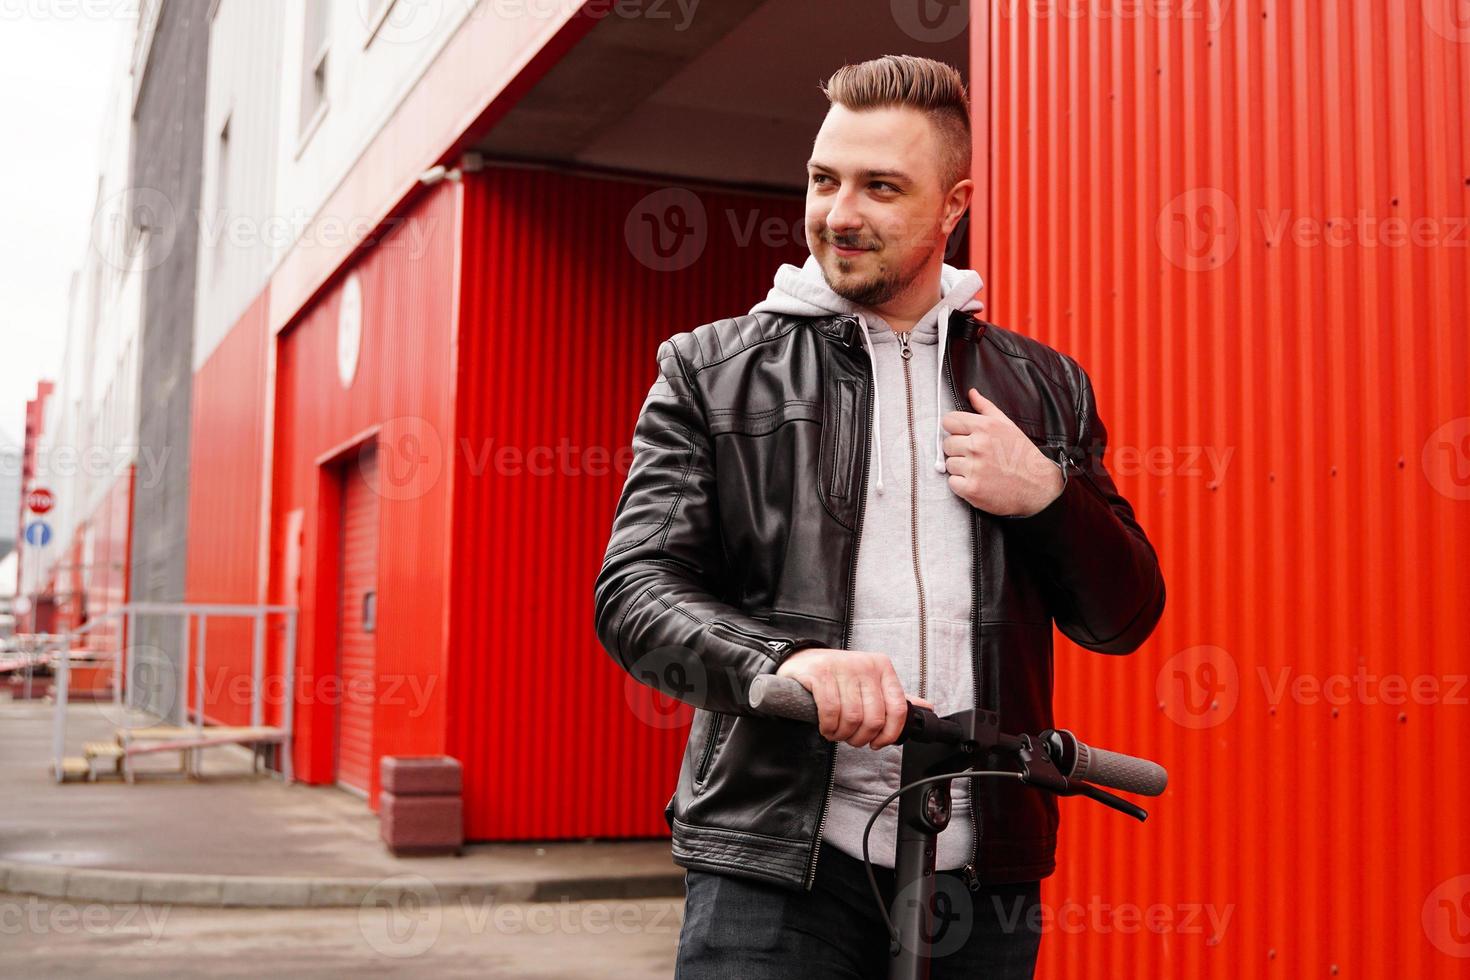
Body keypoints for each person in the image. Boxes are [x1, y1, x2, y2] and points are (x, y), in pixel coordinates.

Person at [594, 54, 1165, 979]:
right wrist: (786, 662)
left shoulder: (1043, 386)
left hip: (983, 872)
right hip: (776, 869)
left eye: (880, 187)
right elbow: (634, 594)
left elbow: (1124, 615)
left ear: (953, 205)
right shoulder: (710, 370)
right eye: (824, 179)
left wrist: (1049, 498)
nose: (838, 213)